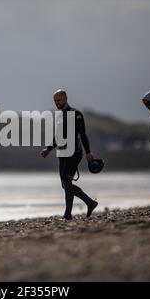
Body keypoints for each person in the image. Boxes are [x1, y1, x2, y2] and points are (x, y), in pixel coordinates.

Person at [40, 89, 99, 220]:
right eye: (55, 101)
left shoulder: (76, 114)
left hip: (74, 153)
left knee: (67, 182)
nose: (57, 103)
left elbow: (83, 135)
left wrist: (88, 152)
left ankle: (67, 214)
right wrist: (48, 149)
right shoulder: (60, 116)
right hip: (62, 152)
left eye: (59, 100)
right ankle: (90, 202)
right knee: (65, 184)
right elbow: (58, 137)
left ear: (66, 98)